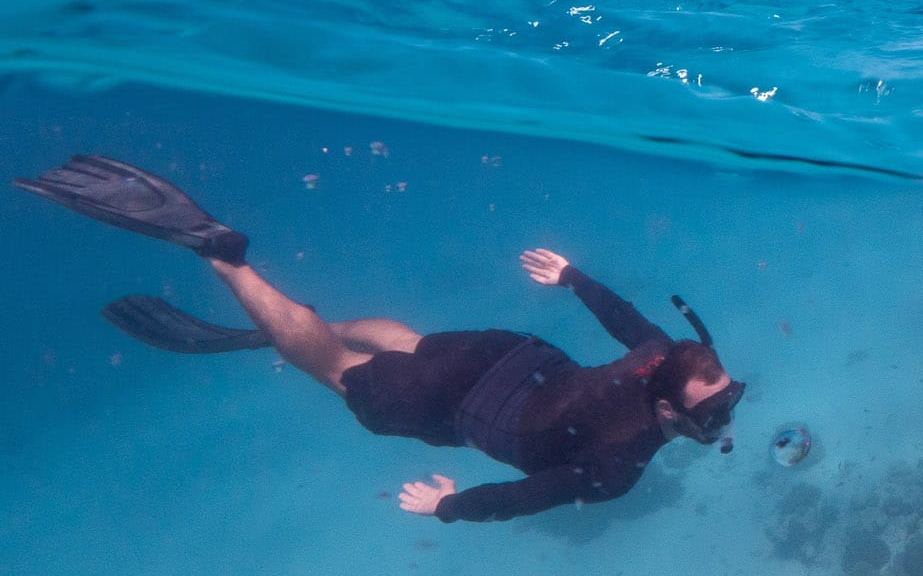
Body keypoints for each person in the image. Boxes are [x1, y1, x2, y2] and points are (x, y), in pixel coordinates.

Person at [14, 154, 745, 524]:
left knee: (411, 344)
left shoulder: (658, 351)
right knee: (333, 371)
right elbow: (528, 498)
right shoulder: (618, 468)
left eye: (727, 402)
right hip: (455, 407)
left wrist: (572, 277)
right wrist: (447, 508)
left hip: (499, 354)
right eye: (717, 412)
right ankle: (226, 258)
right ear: (673, 411)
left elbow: (623, 319)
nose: (724, 421)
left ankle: (295, 322)